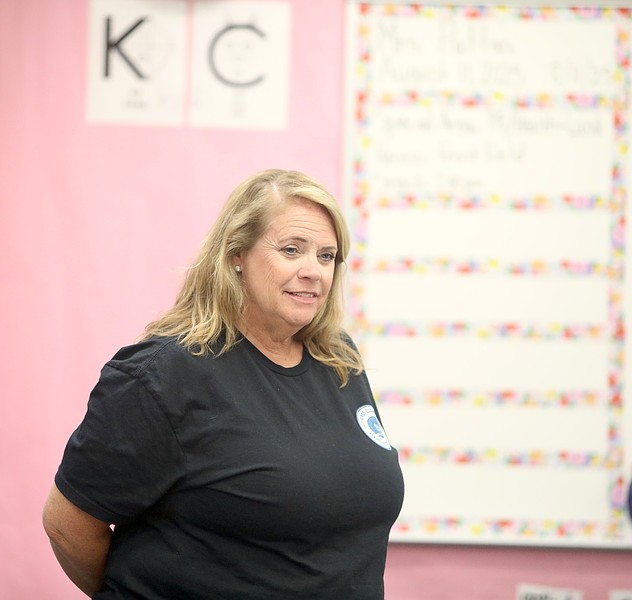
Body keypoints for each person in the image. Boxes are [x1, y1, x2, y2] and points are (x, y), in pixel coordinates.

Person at [42, 169, 405, 599]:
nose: (313, 271)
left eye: (327, 256)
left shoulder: (338, 359)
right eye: (292, 250)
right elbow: (67, 525)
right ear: (237, 255)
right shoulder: (163, 375)